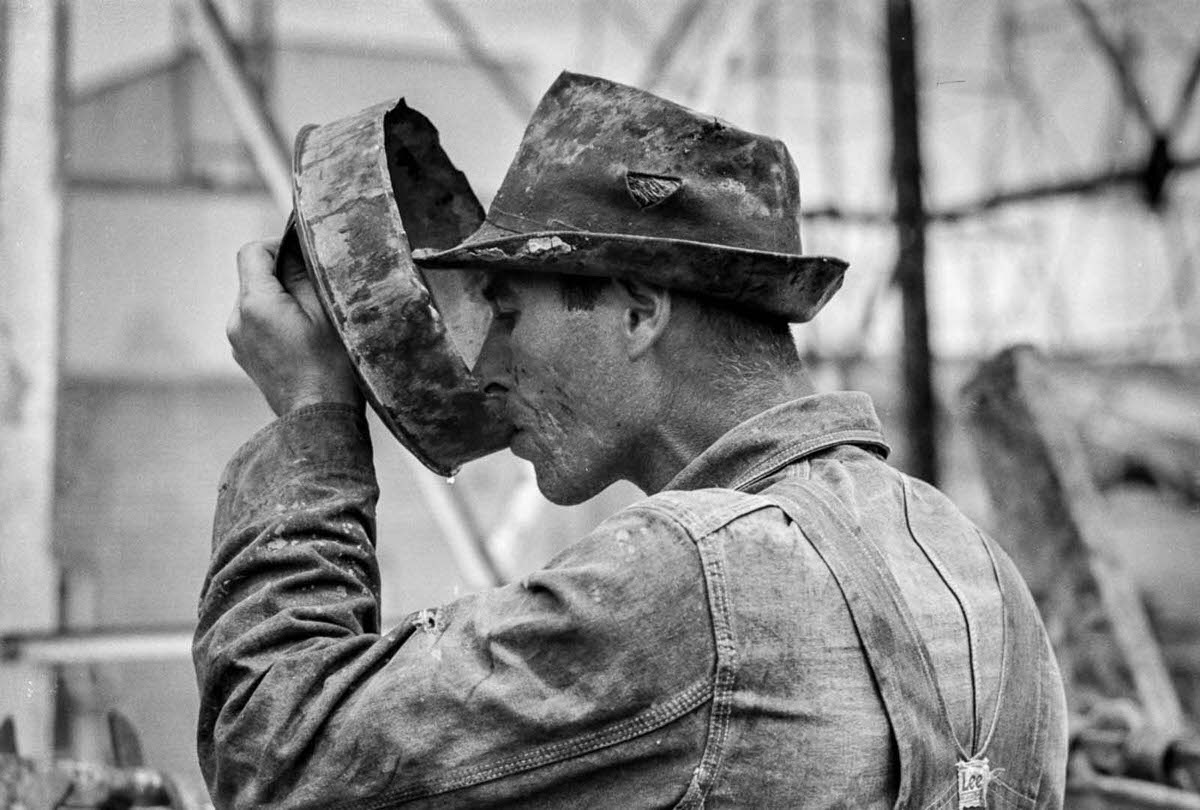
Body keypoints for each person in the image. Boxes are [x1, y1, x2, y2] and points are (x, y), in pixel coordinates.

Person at [196, 72, 1067, 808]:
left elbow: (276, 752)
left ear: (637, 311)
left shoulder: (687, 578)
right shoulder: (981, 568)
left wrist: (312, 416)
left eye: (506, 311)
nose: (485, 365)